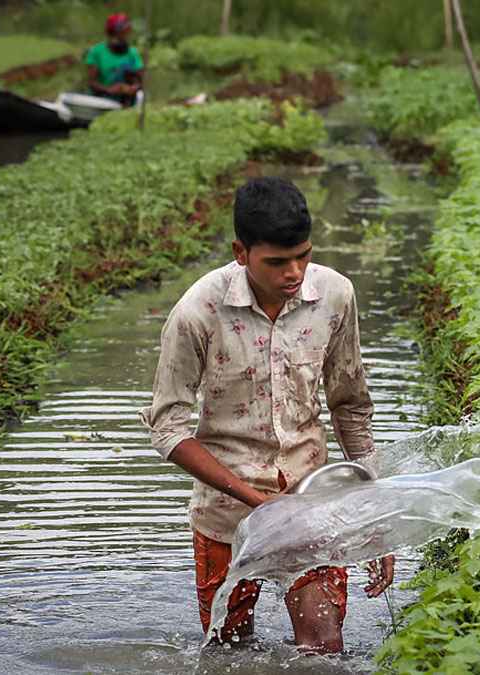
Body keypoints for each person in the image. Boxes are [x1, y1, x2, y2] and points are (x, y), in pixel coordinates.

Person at [139, 177, 395, 654]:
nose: (294, 272)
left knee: (323, 647)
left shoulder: (335, 295)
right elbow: (167, 427)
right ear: (241, 252)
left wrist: (374, 520)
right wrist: (258, 502)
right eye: (276, 262)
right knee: (229, 647)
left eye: (303, 255)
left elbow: (351, 405)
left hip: (310, 503)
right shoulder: (198, 312)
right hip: (226, 512)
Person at [85, 13, 144, 106]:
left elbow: (140, 81)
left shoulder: (133, 53)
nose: (121, 38)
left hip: (126, 100)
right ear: (110, 34)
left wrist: (131, 89)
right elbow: (92, 82)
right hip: (103, 99)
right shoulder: (97, 52)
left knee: (126, 67)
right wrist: (109, 89)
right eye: (118, 35)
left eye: (125, 34)